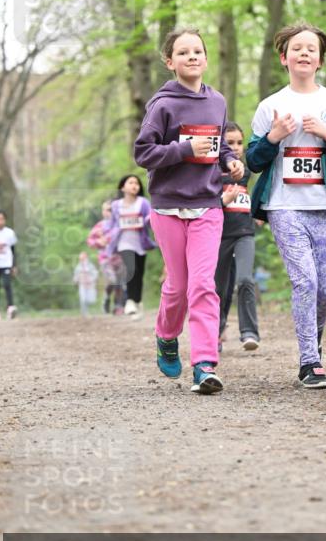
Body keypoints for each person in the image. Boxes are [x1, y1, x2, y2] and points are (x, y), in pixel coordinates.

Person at [247, 20, 326, 390]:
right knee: (305, 281)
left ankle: (314, 339)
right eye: (297, 48)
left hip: (324, 205)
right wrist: (274, 136)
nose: (304, 53)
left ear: (320, 60)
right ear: (284, 57)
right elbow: (253, 159)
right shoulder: (271, 105)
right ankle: (309, 361)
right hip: (284, 204)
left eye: (311, 48)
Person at [134, 28, 244, 394]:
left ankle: (204, 364)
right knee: (178, 287)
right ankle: (166, 336)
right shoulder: (162, 105)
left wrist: (230, 162)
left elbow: (219, 147)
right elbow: (143, 153)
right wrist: (183, 150)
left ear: (207, 58)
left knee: (202, 285)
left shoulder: (217, 102)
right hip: (167, 206)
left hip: (207, 205)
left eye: (198, 51)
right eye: (183, 53)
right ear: (170, 62)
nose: (192, 57)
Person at [214, 121, 261, 352]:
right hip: (218, 235)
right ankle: (216, 332)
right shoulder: (211, 170)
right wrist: (223, 201)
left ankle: (249, 332)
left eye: (239, 142)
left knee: (245, 280)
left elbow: (252, 191)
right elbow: (203, 201)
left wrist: (258, 211)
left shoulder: (246, 169)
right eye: (230, 143)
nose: (236, 147)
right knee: (219, 287)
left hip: (244, 233)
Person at [106, 175, 156, 318]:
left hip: (140, 243)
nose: (134, 185)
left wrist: (148, 220)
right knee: (131, 269)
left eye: (137, 183)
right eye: (131, 183)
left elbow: (150, 220)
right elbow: (112, 225)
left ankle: (137, 301)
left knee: (139, 274)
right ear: (123, 187)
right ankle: (129, 301)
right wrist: (107, 237)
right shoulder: (116, 205)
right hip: (123, 243)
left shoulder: (143, 203)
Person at [87, 201, 125, 314]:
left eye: (111, 210)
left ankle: (118, 306)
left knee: (120, 282)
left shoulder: (119, 224)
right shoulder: (100, 226)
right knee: (112, 280)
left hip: (120, 258)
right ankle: (106, 298)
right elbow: (90, 241)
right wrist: (99, 242)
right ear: (102, 212)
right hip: (105, 259)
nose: (109, 212)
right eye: (106, 210)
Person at [73, 251, 98, 316]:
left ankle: (89, 310)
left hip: (90, 284)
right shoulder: (78, 266)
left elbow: (95, 273)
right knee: (83, 298)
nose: (82, 259)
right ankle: (84, 312)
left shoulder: (90, 265)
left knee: (90, 299)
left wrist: (92, 279)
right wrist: (76, 280)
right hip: (82, 284)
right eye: (81, 258)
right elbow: (76, 274)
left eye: (83, 258)